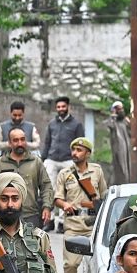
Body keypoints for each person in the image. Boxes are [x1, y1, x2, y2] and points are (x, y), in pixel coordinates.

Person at [53, 137, 108, 273]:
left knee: (98, 264)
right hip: (74, 224)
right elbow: (58, 198)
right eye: (74, 149)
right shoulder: (65, 173)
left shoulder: (97, 171)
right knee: (70, 265)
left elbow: (104, 194)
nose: (75, 153)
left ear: (88, 153)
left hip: (93, 226)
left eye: (79, 150)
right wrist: (64, 205)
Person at [0, 128, 53, 229]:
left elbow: (46, 186)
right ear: (9, 143)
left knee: (31, 244)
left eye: (22, 139)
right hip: (5, 217)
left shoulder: (36, 162)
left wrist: (47, 206)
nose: (20, 143)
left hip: (30, 216)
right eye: (16, 140)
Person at [43, 96, 85, 229]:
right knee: (51, 190)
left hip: (68, 160)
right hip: (52, 160)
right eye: (58, 107)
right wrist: (44, 159)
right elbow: (47, 142)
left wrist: (80, 160)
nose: (61, 109)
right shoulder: (51, 124)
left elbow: (81, 143)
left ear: (68, 107)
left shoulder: (76, 124)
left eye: (63, 106)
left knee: (67, 191)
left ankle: (62, 222)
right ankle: (49, 221)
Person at [106, 101, 133, 186]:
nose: (121, 110)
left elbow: (132, 133)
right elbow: (110, 126)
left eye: (122, 108)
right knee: (120, 168)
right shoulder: (112, 121)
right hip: (118, 149)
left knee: (128, 168)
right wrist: (113, 115)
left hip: (127, 149)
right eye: (118, 108)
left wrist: (129, 123)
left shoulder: (125, 121)